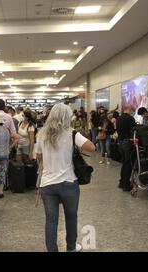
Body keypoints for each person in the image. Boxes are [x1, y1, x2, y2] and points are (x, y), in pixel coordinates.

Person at [36, 103, 96, 252]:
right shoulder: (72, 133)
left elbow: (38, 157)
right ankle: (71, 248)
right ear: (67, 117)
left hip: (47, 184)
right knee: (71, 217)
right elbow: (92, 148)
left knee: (51, 221)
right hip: (68, 183)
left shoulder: (41, 134)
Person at [116, 105, 137, 192]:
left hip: (121, 142)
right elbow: (134, 130)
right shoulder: (130, 119)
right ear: (130, 109)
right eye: (133, 110)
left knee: (124, 163)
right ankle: (126, 185)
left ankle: (121, 182)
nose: (133, 112)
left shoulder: (119, 118)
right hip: (128, 142)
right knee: (128, 164)